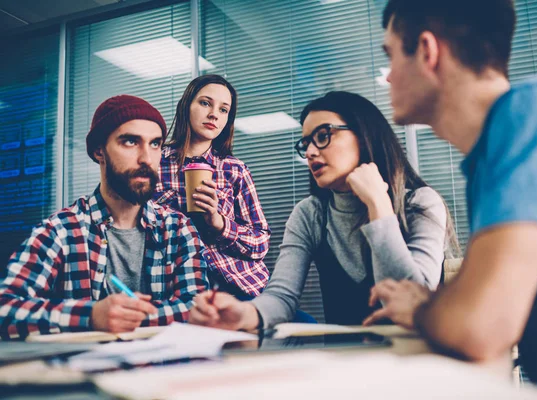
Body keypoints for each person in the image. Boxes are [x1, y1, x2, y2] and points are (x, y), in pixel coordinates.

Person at [364, 0, 537, 397]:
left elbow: (479, 325)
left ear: (427, 51)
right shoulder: (488, 158)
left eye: (391, 56)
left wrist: (421, 309)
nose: (387, 79)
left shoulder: (535, 110)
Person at [188, 90, 459, 329]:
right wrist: (247, 313)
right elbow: (282, 296)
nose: (310, 152)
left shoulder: (421, 203)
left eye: (323, 136)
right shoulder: (311, 214)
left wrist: (378, 204)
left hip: (415, 360)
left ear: (364, 135)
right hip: (343, 363)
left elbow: (412, 298)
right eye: (306, 143)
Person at [0, 95, 208, 339]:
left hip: (162, 371)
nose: (146, 158)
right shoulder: (62, 230)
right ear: (99, 151)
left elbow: (197, 308)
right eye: (130, 142)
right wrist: (91, 316)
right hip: (82, 372)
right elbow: (6, 309)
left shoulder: (178, 228)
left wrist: (130, 318)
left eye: (155, 144)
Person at [154, 75, 270, 300]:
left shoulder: (234, 170)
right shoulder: (154, 162)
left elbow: (261, 243)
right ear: (186, 106)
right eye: (205, 103)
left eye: (224, 110)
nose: (214, 114)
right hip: (176, 286)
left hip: (236, 284)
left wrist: (220, 224)